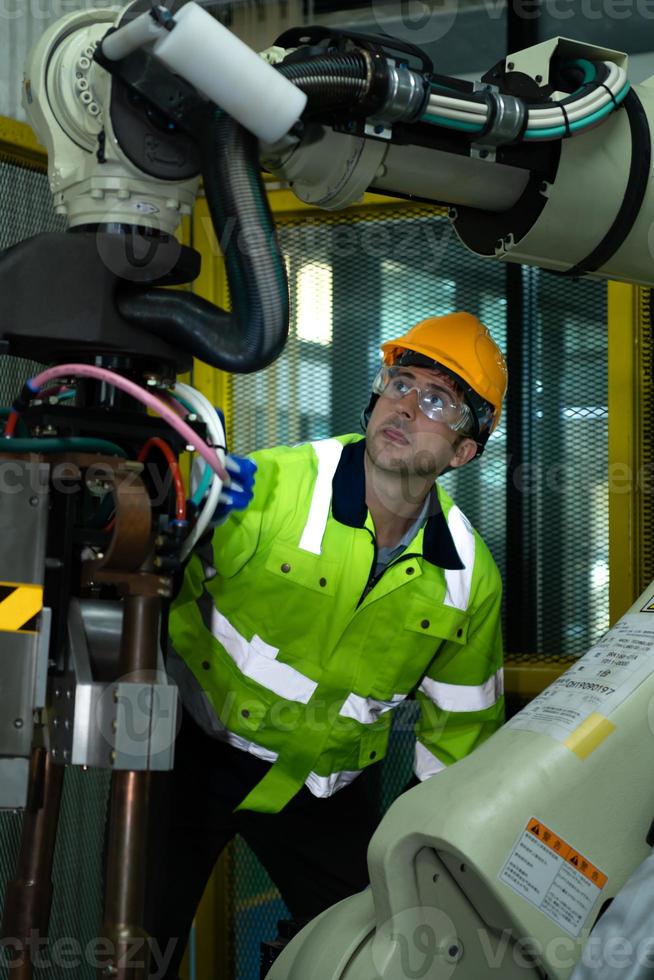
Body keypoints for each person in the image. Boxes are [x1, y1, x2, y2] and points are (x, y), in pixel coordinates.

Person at [151, 311, 508, 976]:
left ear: (465, 450)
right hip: (192, 749)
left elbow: (457, 737)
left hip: (323, 790)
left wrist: (419, 848)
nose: (405, 404)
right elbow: (150, 580)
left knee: (364, 957)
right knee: (136, 945)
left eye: (438, 400)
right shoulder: (271, 489)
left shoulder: (468, 577)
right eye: (399, 382)